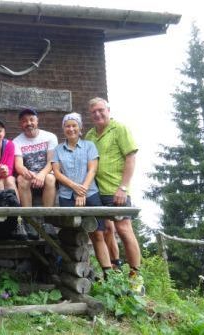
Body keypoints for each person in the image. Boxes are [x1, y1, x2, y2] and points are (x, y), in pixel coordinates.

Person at [85, 97, 144, 294]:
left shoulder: (119, 129)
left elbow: (130, 157)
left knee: (124, 229)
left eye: (101, 110)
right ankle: (111, 273)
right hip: (95, 192)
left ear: (108, 110)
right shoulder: (90, 136)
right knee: (99, 232)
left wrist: (124, 187)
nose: (98, 114)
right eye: (93, 112)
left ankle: (136, 278)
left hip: (115, 190)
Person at [52, 112, 112, 275]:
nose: (71, 129)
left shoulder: (89, 146)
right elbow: (57, 173)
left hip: (90, 194)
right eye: (67, 126)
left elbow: (93, 169)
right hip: (67, 196)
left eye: (74, 125)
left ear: (80, 128)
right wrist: (74, 187)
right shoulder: (58, 150)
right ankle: (73, 272)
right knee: (71, 236)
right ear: (63, 128)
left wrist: (82, 190)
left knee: (97, 234)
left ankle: (108, 274)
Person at [13, 108, 58, 237]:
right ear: (20, 124)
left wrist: (42, 174)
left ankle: (47, 221)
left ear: (37, 121)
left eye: (31, 119)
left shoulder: (50, 137)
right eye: (24, 121)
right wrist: (27, 173)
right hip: (29, 175)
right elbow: (19, 165)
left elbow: (52, 161)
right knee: (21, 179)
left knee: (50, 179)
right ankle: (29, 221)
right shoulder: (16, 141)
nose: (28, 123)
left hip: (46, 173)